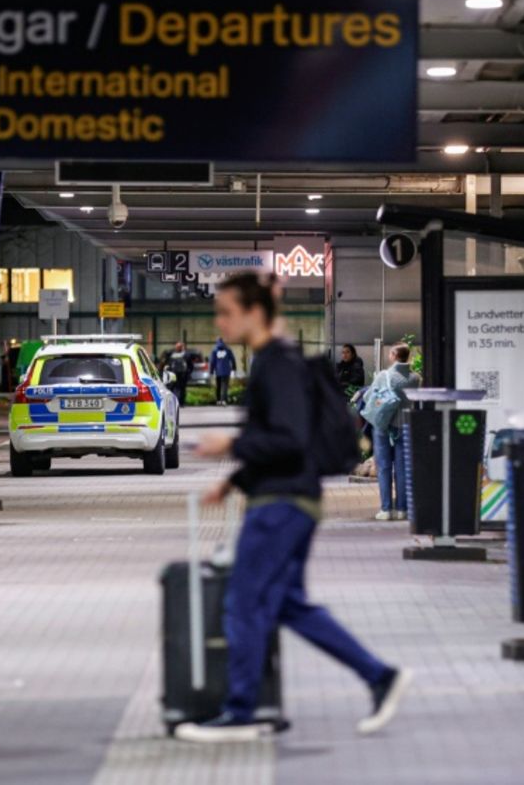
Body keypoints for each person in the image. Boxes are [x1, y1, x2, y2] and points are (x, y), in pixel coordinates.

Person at [178, 273, 412, 743]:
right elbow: (283, 439)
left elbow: (288, 439)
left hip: (280, 504)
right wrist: (234, 481)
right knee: (287, 604)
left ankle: (243, 711)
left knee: (243, 601)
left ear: (254, 313)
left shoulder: (276, 363)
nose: (220, 322)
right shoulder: (276, 360)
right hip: (290, 498)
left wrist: (231, 444)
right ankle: (379, 676)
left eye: (226, 312)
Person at [369, 344, 421, 521]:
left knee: (384, 468)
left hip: (383, 426)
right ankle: (402, 509)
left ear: (393, 355)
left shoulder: (384, 375)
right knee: (402, 468)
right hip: (405, 425)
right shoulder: (415, 378)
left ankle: (386, 509)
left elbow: (372, 397)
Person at [211, 337, 237, 405]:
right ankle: (224, 400)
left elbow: (212, 362)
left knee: (218, 385)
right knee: (225, 385)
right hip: (226, 370)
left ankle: (218, 400)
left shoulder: (214, 350)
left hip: (218, 371)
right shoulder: (228, 349)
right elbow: (232, 359)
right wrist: (234, 368)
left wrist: (211, 371)